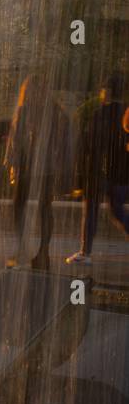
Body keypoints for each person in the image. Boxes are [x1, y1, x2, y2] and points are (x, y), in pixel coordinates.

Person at [3, 74, 71, 270]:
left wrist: (12, 163)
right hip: (39, 166)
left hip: (36, 166)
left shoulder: (33, 111)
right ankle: (38, 251)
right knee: (39, 208)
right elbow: (16, 138)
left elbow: (15, 139)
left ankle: (32, 249)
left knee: (29, 207)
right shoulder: (51, 111)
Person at [68, 75, 129, 264]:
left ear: (107, 91)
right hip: (121, 173)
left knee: (91, 210)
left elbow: (88, 144)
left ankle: (85, 252)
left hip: (99, 171)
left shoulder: (99, 114)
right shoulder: (126, 112)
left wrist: (81, 170)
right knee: (117, 210)